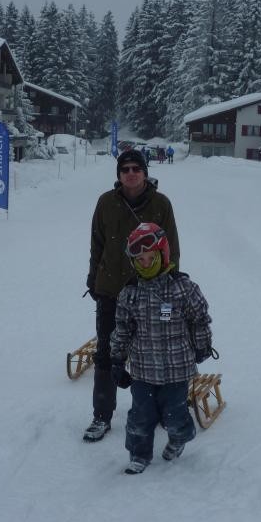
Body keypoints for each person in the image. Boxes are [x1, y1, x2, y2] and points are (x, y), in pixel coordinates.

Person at [84, 149, 180, 442]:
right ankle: (101, 415)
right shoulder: (106, 202)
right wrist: (94, 278)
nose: (130, 173)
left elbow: (172, 248)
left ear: (145, 172)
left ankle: (160, 410)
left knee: (155, 353)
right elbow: (97, 244)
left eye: (136, 168)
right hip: (111, 290)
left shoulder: (161, 203)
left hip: (149, 293)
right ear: (119, 174)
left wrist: (170, 286)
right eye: (125, 169)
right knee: (106, 353)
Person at [110, 222, 214, 474]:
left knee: (175, 416)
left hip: (176, 370)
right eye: (139, 260)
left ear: (162, 255)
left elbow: (200, 319)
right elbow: (122, 328)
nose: (145, 264)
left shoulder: (183, 288)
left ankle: (180, 438)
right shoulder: (129, 293)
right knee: (140, 416)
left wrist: (202, 346)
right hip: (143, 370)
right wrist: (117, 360)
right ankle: (139, 454)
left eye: (150, 258)